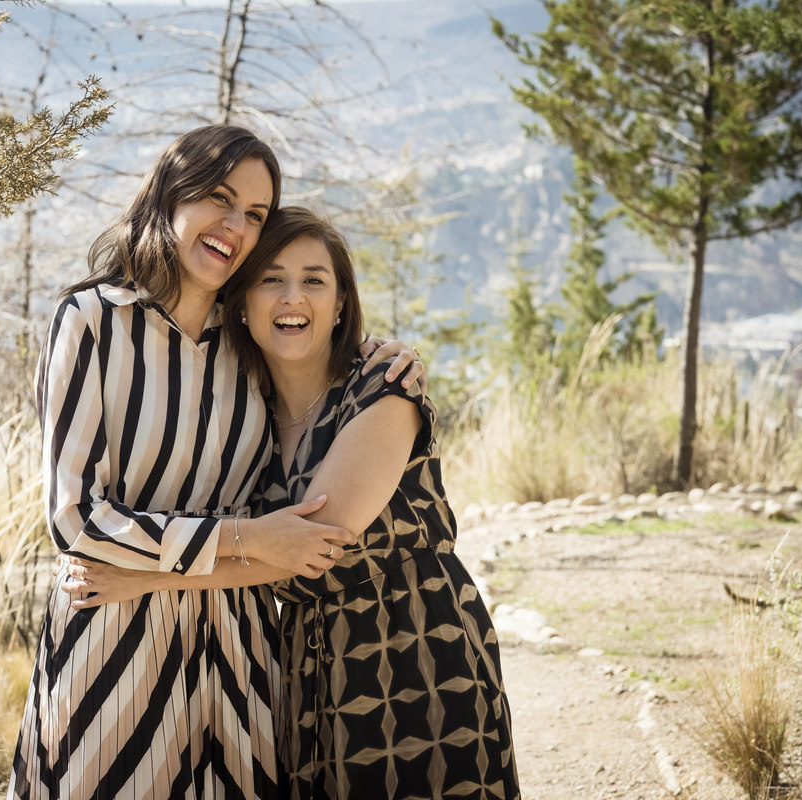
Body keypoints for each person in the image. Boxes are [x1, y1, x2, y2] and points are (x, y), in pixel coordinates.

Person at [9, 128, 424, 800]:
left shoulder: (249, 341)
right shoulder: (90, 321)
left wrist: (386, 355)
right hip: (114, 642)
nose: (236, 227)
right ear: (171, 193)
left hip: (241, 652)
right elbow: (76, 518)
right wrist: (246, 538)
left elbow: (315, 345)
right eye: (220, 199)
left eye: (256, 215)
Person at [62, 207, 519, 799]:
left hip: (418, 648)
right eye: (271, 278)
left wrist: (146, 579)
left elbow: (313, 545)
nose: (291, 297)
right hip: (305, 667)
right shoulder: (242, 419)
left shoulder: (381, 390)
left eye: (314, 280)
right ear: (242, 303)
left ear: (340, 303)